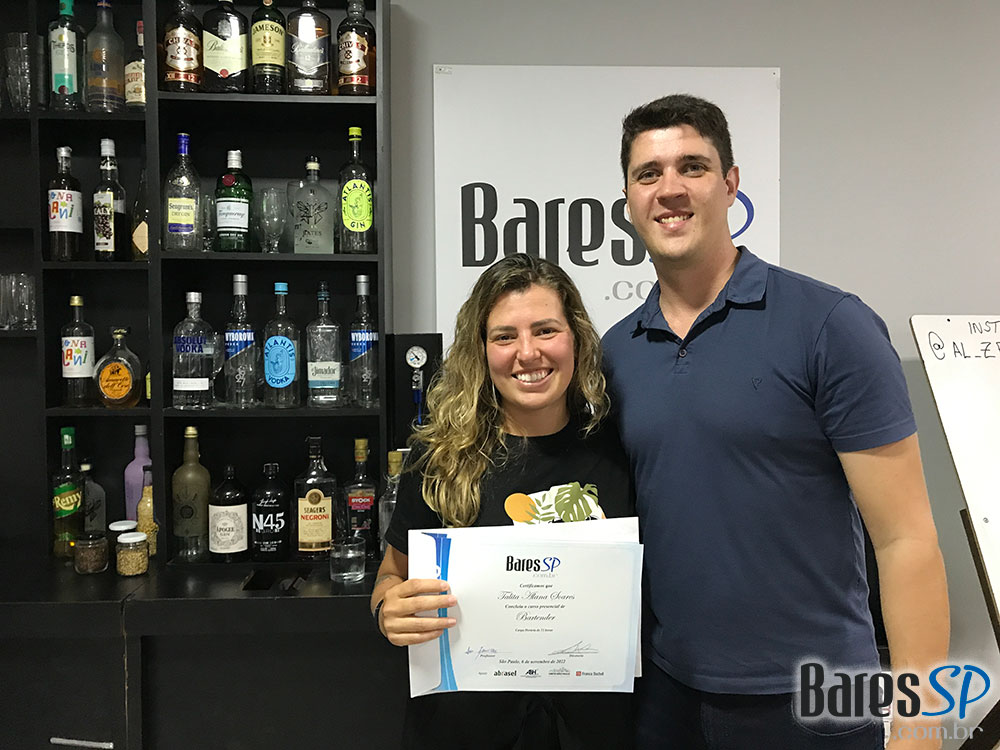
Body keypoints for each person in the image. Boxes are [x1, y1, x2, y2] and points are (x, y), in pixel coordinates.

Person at [601, 94, 949, 750]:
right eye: (649, 174)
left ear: (731, 183)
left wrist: (919, 722)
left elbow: (906, 540)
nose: (670, 189)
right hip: (667, 695)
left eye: (693, 167)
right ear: (628, 201)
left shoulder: (830, 326)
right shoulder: (617, 352)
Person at [371, 253, 636, 750]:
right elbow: (391, 575)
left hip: (592, 728)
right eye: (504, 336)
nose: (527, 353)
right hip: (463, 729)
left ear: (576, 338)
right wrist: (389, 607)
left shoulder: (620, 449)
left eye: (546, 330)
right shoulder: (439, 456)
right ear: (481, 349)